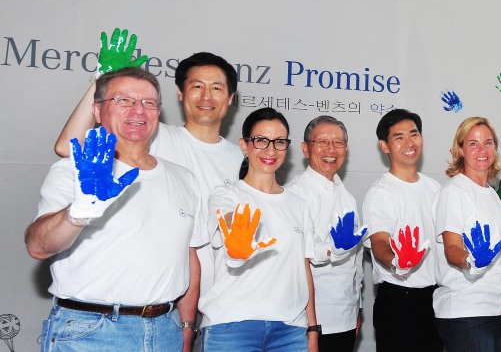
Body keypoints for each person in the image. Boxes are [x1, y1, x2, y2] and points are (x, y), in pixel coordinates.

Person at [53, 32, 243, 341]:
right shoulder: (151, 134)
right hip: (168, 309)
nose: (206, 96)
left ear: (230, 98)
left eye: (217, 88)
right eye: (196, 86)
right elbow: (67, 146)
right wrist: (102, 78)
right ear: (180, 94)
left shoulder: (243, 158)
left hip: (224, 310)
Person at [26, 68, 207, 351]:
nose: (138, 110)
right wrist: (78, 212)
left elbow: (189, 256)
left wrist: (186, 326)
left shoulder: (184, 178)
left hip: (166, 330)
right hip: (91, 332)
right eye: (123, 100)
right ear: (97, 111)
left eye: (148, 103)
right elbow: (38, 246)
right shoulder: (73, 171)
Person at [198, 107, 319, 351]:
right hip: (232, 327)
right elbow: (231, 221)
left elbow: (303, 267)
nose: (271, 150)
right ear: (244, 145)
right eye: (261, 140)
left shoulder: (298, 203)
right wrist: (237, 241)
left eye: (279, 142)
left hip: (290, 330)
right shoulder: (226, 194)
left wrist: (312, 328)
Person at [362, 108, 443, 352]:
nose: (409, 143)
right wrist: (397, 261)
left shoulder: (435, 188)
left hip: (436, 298)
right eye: (399, 137)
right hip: (399, 301)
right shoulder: (380, 193)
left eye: (414, 134)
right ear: (384, 146)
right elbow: (379, 244)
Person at [432, 116, 501, 351]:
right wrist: (470, 261)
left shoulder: (491, 194)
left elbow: (497, 261)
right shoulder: (454, 191)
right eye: (473, 143)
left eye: (488, 143)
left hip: (494, 309)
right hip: (464, 312)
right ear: (460, 149)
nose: (482, 150)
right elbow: (452, 248)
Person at [286, 116, 365, 352]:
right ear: (305, 148)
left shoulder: (346, 195)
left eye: (338, 143)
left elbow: (356, 261)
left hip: (346, 317)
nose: (331, 149)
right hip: (308, 320)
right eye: (322, 142)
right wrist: (332, 249)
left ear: (346, 149)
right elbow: (300, 253)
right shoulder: (295, 193)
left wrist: (357, 308)